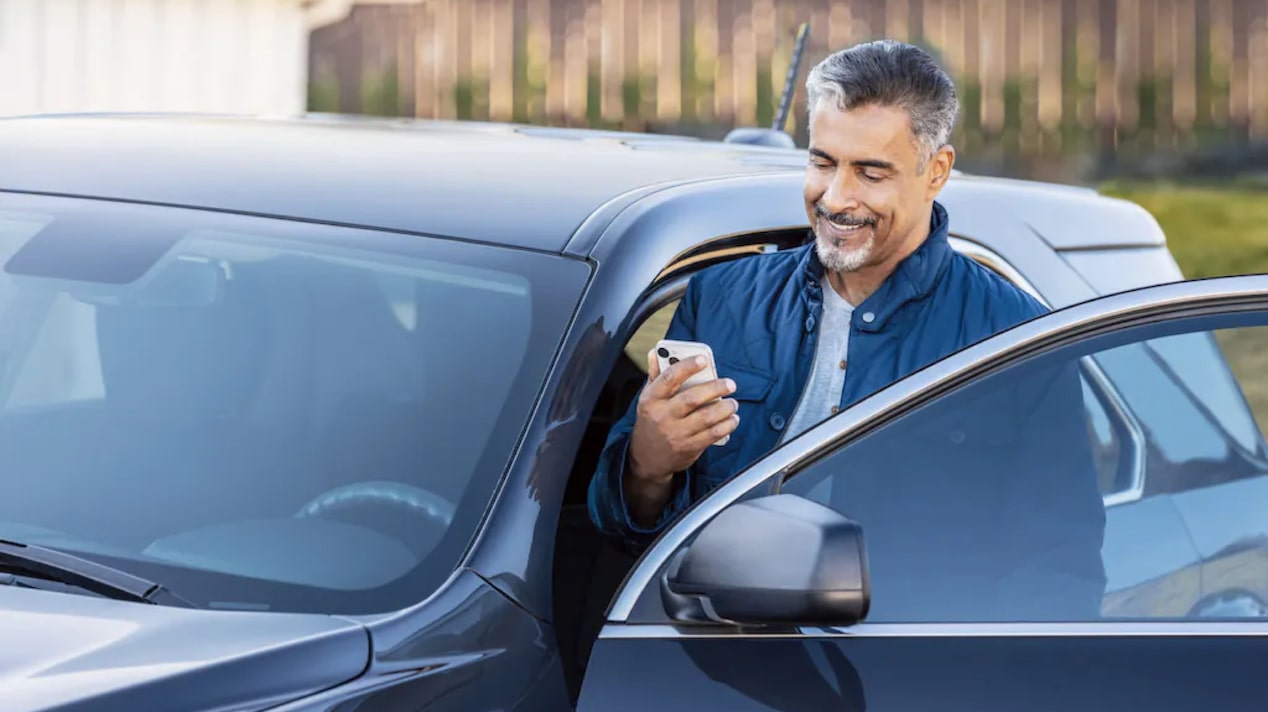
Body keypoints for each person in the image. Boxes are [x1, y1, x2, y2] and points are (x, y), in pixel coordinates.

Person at [586, 40, 1106, 618]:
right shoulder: (720, 300)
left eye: (870, 172)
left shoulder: (1017, 339)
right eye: (823, 162)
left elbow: (1059, 576)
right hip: (715, 663)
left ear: (936, 171)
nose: (836, 198)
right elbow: (620, 529)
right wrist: (647, 465)